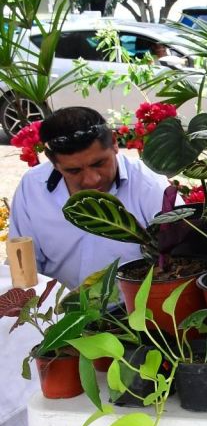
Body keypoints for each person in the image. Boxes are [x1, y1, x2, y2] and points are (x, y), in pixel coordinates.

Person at [8, 106, 172, 290]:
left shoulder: (150, 185)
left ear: (114, 143)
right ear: (53, 163)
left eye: (99, 163)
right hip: (57, 305)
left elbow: (181, 260)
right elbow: (23, 266)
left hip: (136, 304)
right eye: (74, 171)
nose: (91, 180)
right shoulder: (33, 187)